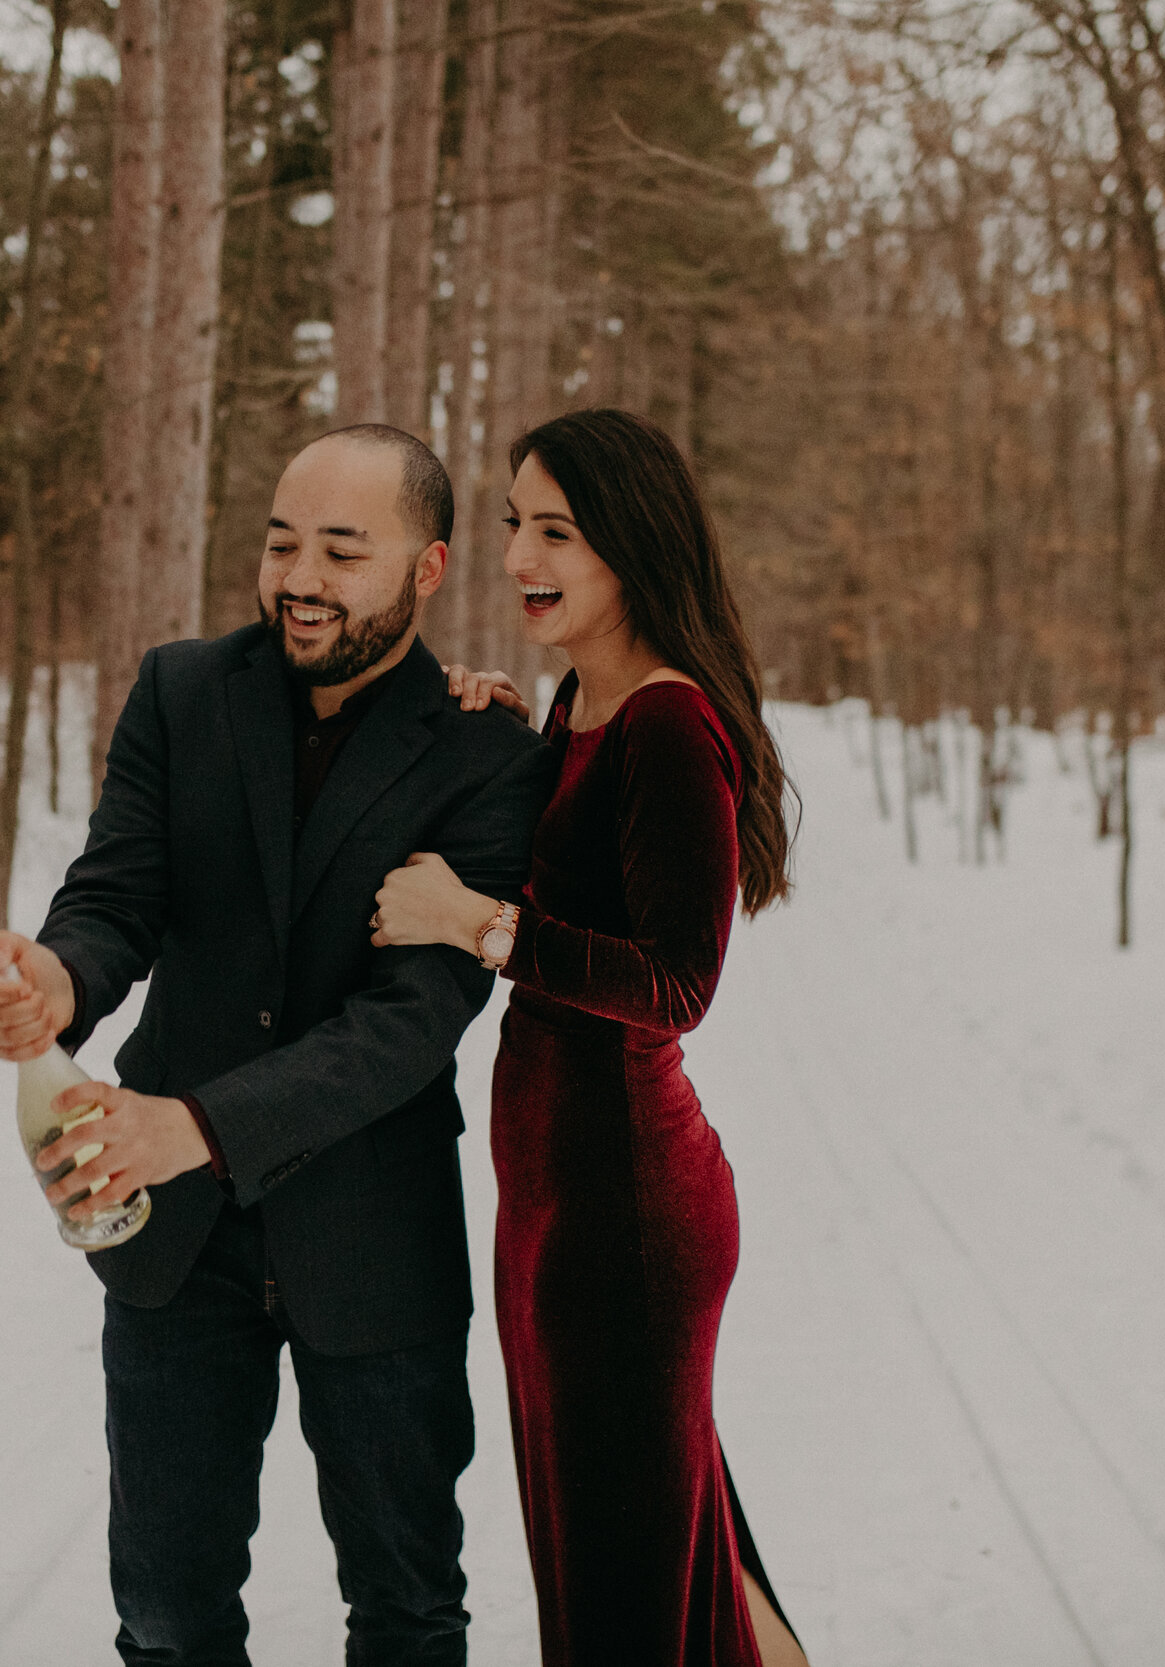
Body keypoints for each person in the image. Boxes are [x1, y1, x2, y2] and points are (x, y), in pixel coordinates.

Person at [0, 423, 554, 1667]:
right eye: (283, 541)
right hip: (174, 1244)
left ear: (429, 567)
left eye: (344, 550)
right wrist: (54, 985)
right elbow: (116, 896)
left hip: (373, 1234)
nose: (300, 576)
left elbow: (413, 1017)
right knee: (167, 1620)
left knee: (407, 1611)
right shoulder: (181, 692)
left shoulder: (489, 752)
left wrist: (194, 1126)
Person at [369, 408, 808, 1667]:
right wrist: (505, 735)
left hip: (624, 1215)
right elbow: (580, 858)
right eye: (513, 522)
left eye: (555, 529)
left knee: (625, 1593)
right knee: (673, 1551)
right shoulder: (586, 701)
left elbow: (677, 979)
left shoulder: (671, 722)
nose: (518, 553)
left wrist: (475, 924)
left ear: (633, 546)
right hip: (559, 1206)